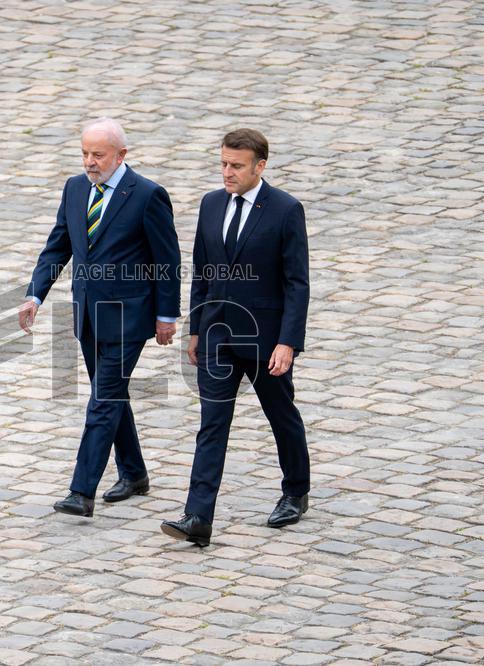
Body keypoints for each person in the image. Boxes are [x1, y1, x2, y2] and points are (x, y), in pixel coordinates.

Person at [20, 118, 181, 518]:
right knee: (111, 395)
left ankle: (81, 490)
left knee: (103, 399)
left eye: (98, 155)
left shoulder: (147, 196)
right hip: (88, 315)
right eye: (85, 154)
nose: (90, 162)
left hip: (130, 317)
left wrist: (166, 315)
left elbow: (168, 260)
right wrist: (35, 294)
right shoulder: (76, 189)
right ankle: (135, 473)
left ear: (121, 155)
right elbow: (58, 247)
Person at [161, 128, 310, 547]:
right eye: (223, 163)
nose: (227, 172)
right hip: (217, 337)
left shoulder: (285, 210)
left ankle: (296, 490)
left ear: (259, 166)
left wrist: (288, 342)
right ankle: (198, 517)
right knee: (212, 425)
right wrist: (195, 329)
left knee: (280, 415)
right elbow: (202, 271)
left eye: (236, 165)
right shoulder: (211, 204)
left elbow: (297, 283)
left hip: (265, 341)